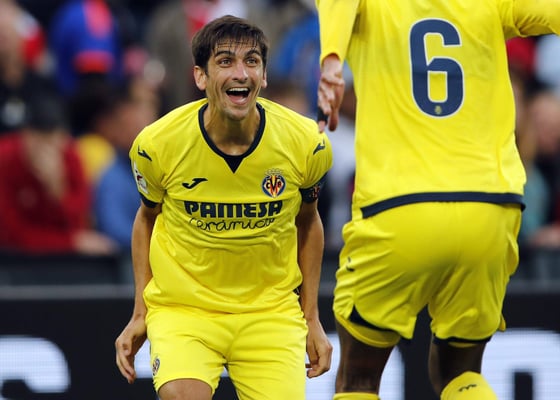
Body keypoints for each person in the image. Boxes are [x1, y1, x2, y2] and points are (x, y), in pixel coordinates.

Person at [316, 1, 560, 399]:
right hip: (489, 207)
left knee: (358, 378)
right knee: (460, 372)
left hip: (400, 207)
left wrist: (331, 59)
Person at [115, 15, 333, 400]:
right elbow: (146, 219)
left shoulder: (306, 144)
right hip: (186, 309)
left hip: (269, 312)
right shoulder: (157, 145)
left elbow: (308, 222)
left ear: (264, 76)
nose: (241, 73)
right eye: (225, 61)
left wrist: (312, 317)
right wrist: (140, 312)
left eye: (252, 61)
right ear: (200, 76)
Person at [0, 90, 117, 256]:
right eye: (38, 141)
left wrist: (57, 189)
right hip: (14, 259)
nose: (45, 152)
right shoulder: (5, 158)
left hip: (61, 258)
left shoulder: (71, 156)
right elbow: (11, 235)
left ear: (63, 138)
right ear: (25, 135)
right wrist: (69, 242)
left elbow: (78, 222)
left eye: (51, 142)